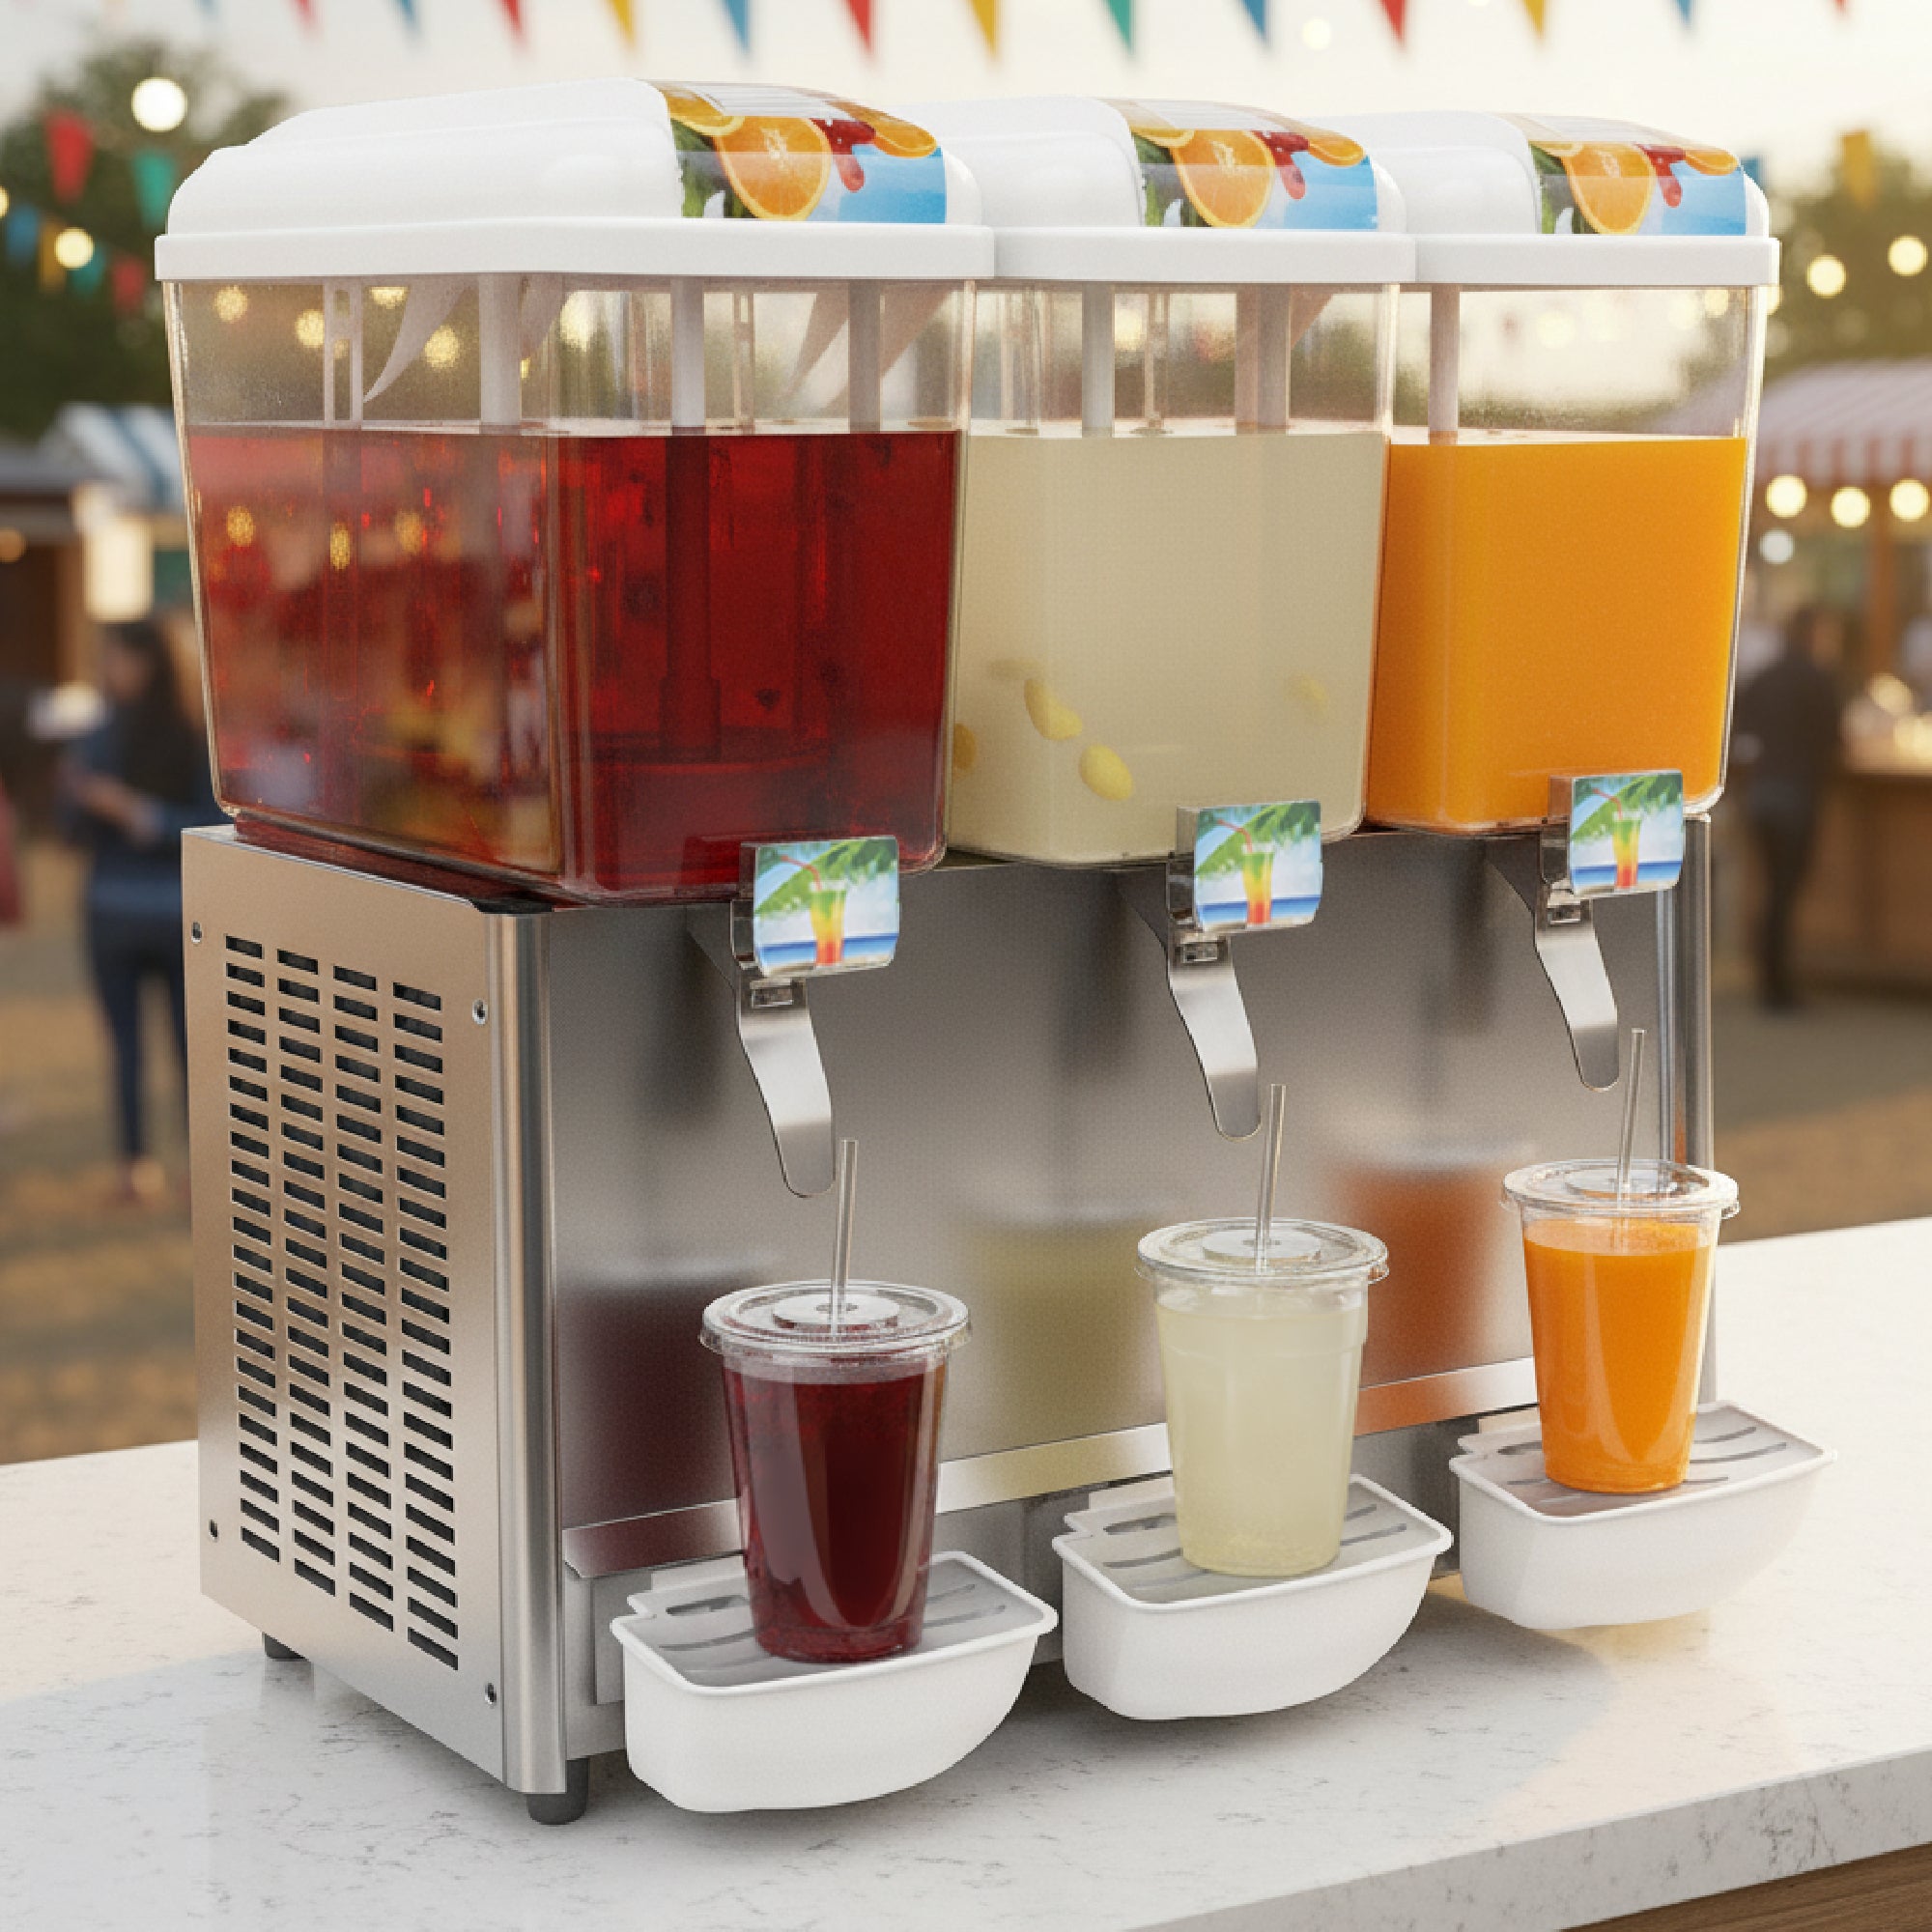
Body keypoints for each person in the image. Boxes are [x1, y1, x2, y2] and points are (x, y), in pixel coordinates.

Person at [61, 620, 221, 1201]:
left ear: (151, 662)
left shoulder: (195, 738)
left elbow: (212, 827)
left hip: (178, 917)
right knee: (125, 1046)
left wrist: (135, 812)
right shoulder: (98, 737)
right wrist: (79, 799)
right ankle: (134, 1164)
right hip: (112, 913)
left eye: (120, 658)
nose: (110, 670)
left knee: (191, 1046)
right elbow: (67, 829)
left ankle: (199, 1165)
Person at [1732, 605, 1845, 1012]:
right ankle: (1778, 988)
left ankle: (1768, 979)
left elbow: (1740, 733)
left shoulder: (1762, 678)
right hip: (1796, 796)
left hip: (1760, 795)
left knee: (1770, 890)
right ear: (1814, 634)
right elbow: (1835, 742)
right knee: (1785, 891)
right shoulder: (1818, 681)